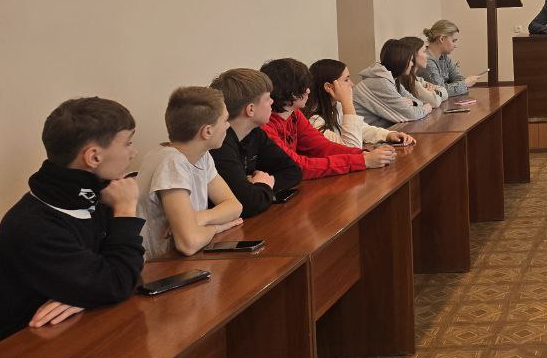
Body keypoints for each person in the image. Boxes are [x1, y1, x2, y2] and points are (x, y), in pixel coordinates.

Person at [0, 98, 144, 340]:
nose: (133, 152)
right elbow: (118, 280)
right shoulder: (33, 226)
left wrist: (86, 295)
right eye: (128, 143)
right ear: (93, 157)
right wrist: (126, 210)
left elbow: (126, 271)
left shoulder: (95, 197)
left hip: (71, 332)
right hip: (23, 347)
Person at [136, 87, 243, 258]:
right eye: (225, 120)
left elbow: (235, 206)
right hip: (158, 266)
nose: (228, 125)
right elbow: (188, 243)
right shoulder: (171, 162)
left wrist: (201, 218)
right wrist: (217, 227)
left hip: (181, 261)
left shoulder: (202, 156)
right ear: (207, 131)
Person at [261, 58, 394, 178]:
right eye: (302, 87)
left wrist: (363, 154)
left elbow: (323, 147)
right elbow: (298, 166)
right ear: (287, 90)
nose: (308, 91)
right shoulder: (265, 126)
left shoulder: (294, 114)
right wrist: (363, 160)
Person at [209, 67, 300, 218]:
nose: (272, 101)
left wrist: (260, 187)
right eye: (267, 98)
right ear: (250, 109)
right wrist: (261, 186)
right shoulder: (219, 146)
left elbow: (293, 171)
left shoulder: (255, 133)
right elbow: (247, 204)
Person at [308, 59, 417, 149]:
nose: (352, 84)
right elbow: (352, 148)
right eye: (346, 80)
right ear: (328, 86)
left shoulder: (336, 106)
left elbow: (361, 129)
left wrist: (388, 135)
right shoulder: (314, 121)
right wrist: (347, 103)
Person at [353, 39, 431, 128]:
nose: (412, 64)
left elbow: (418, 103)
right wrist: (426, 109)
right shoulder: (381, 83)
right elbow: (411, 114)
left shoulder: (392, 79)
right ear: (400, 60)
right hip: (362, 134)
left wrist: (413, 103)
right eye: (410, 60)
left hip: (378, 131)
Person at [420, 20, 482, 95]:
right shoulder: (426, 60)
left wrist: (459, 85)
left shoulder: (445, 57)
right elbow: (440, 91)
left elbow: (459, 79)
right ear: (442, 39)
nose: (456, 45)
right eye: (453, 41)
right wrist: (465, 84)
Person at [400, 35, 445, 108]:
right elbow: (435, 102)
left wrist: (436, 92)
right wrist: (433, 92)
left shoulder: (417, 78)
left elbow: (444, 91)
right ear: (413, 55)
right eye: (424, 52)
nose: (427, 56)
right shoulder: (411, 81)